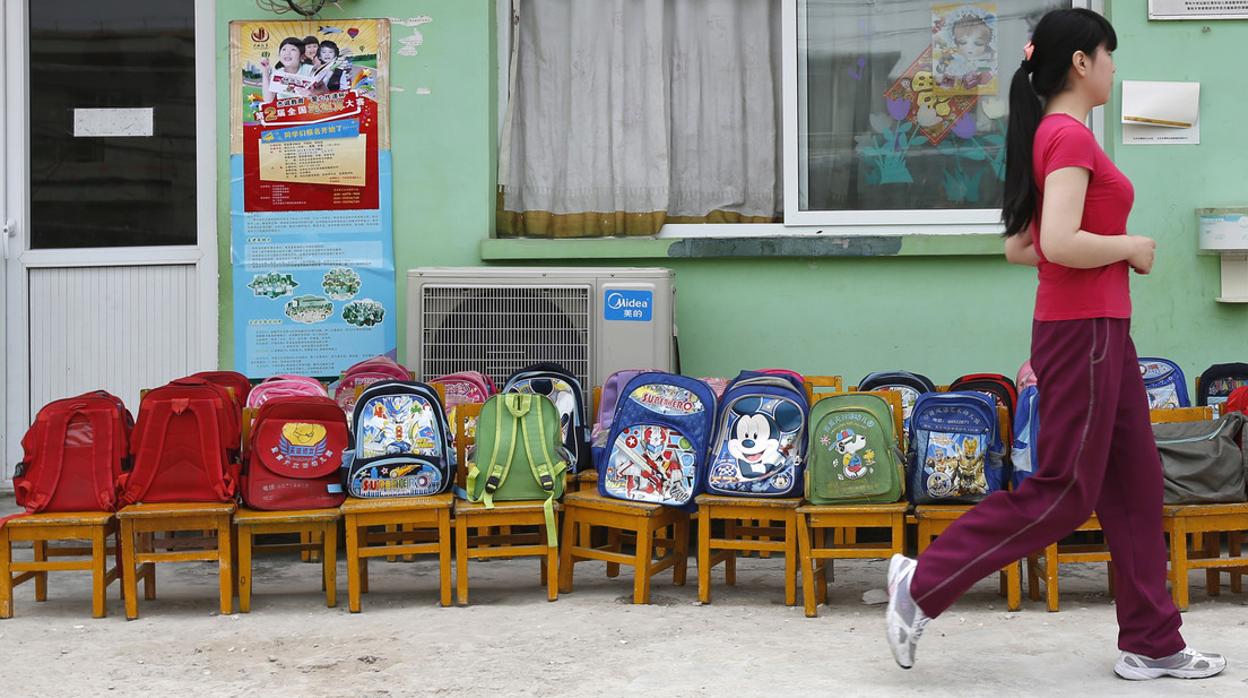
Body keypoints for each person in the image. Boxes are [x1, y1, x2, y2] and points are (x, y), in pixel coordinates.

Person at [884, 8, 1226, 682]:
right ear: (1081, 62)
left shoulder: (1050, 135)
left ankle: (1152, 641)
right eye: (1109, 55)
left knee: (1134, 485)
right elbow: (1061, 244)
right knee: (1064, 490)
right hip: (1086, 332)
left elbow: (1022, 246)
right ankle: (921, 585)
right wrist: (1131, 246)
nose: (1114, 67)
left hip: (1098, 330)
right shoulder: (1067, 138)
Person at [260, 37, 315, 102]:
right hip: (285, 109)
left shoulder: (310, 70)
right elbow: (268, 100)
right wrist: (265, 72)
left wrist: (312, 93)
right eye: (284, 49)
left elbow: (323, 91)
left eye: (293, 50)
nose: (287, 53)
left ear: (302, 56)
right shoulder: (277, 74)